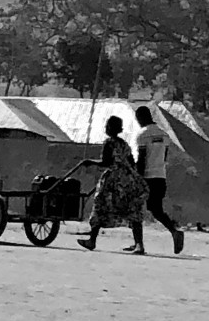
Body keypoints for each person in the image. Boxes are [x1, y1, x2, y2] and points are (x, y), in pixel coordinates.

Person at [77, 115, 149, 254]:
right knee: (132, 209)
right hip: (128, 179)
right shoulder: (124, 144)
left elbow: (106, 163)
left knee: (100, 206)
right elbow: (132, 162)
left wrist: (89, 162)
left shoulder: (109, 143)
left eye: (107, 126)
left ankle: (92, 240)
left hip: (113, 180)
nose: (106, 128)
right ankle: (139, 244)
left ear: (111, 128)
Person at [126, 105, 184, 255]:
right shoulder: (164, 135)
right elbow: (164, 156)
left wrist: (137, 177)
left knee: (135, 209)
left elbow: (142, 159)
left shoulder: (142, 135)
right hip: (160, 176)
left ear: (140, 118)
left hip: (146, 177)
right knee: (156, 209)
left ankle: (139, 244)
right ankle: (174, 230)